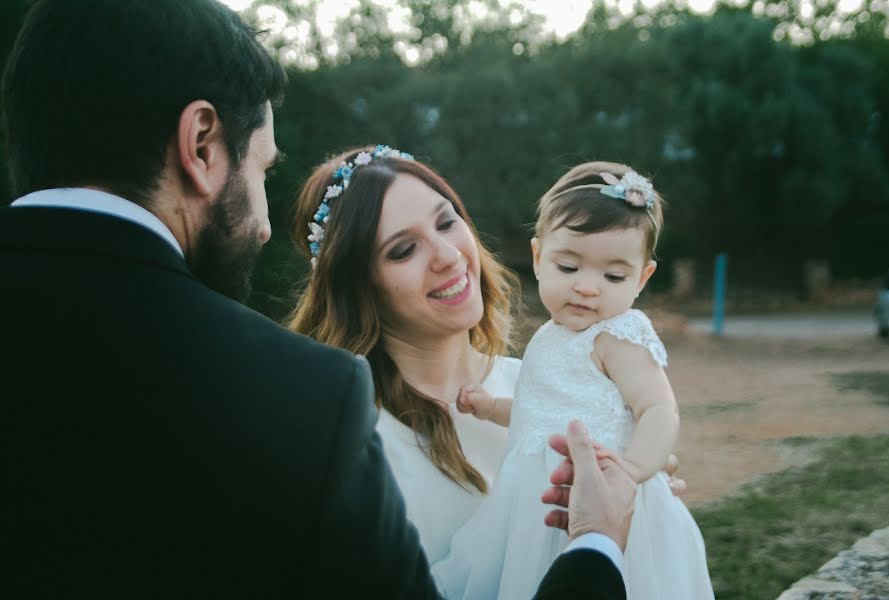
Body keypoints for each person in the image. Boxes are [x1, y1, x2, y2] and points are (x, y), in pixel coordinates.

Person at [1, 2, 636, 598]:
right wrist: (598, 544)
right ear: (200, 146)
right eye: (262, 170)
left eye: (446, 222)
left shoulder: (539, 386)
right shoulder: (307, 409)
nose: (263, 226)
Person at [287, 147, 685, 589]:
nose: (447, 256)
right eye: (403, 250)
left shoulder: (534, 384)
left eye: (446, 222)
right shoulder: (358, 443)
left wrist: (638, 495)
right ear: (358, 286)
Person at [431, 162, 715, 599]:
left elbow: (658, 409)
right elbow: (541, 410)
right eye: (568, 267)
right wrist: (490, 408)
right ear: (539, 258)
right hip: (531, 505)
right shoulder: (549, 336)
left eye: (613, 276)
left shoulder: (619, 337)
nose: (587, 287)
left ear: (642, 278)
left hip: (605, 501)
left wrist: (635, 469)